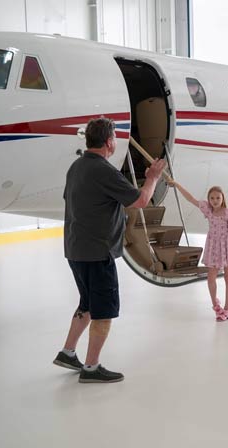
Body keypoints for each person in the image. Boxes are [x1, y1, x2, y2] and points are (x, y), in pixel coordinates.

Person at [53, 117, 166, 383]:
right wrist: (153, 178)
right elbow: (140, 200)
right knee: (103, 313)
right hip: (97, 252)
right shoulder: (103, 170)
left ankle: (67, 352)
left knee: (87, 305)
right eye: (115, 137)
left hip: (75, 249)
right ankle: (91, 368)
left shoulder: (76, 167)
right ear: (108, 142)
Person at [168, 181, 228, 321]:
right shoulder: (208, 210)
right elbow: (190, 198)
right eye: (212, 198)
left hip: (226, 247)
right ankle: (216, 304)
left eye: (218, 198)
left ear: (223, 198)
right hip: (213, 247)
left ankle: (227, 308)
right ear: (209, 199)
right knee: (211, 277)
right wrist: (177, 184)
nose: (215, 201)